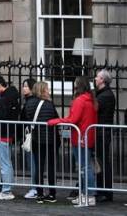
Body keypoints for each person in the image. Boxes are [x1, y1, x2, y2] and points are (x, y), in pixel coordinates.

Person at [48, 76, 98, 207]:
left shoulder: (80, 100)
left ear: (78, 85)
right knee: (84, 167)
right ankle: (85, 194)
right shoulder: (91, 99)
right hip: (87, 136)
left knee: (84, 167)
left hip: (80, 137)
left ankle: (89, 195)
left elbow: (72, 119)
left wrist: (55, 121)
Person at [27, 81, 59, 203]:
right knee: (51, 166)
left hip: (36, 139)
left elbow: (27, 117)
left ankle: (39, 194)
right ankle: (52, 194)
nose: (49, 90)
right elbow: (55, 118)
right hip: (50, 139)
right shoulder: (49, 104)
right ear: (43, 90)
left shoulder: (29, 103)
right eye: (47, 89)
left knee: (38, 166)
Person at [0, 75, 20, 201]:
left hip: (2, 133)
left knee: (4, 163)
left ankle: (6, 190)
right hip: (8, 133)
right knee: (7, 163)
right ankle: (7, 188)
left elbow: (0, 116)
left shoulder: (4, 99)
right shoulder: (13, 96)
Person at [94, 69, 115, 204]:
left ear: (102, 80)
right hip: (101, 132)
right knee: (100, 162)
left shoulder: (105, 95)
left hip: (102, 132)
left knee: (102, 163)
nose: (95, 79)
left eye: (97, 77)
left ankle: (105, 192)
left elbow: (94, 109)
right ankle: (101, 190)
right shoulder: (102, 94)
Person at [20, 78, 38, 199]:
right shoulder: (27, 101)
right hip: (29, 134)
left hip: (31, 135)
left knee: (32, 162)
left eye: (26, 86)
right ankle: (35, 186)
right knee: (32, 162)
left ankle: (35, 187)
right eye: (23, 86)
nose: (23, 88)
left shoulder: (31, 102)